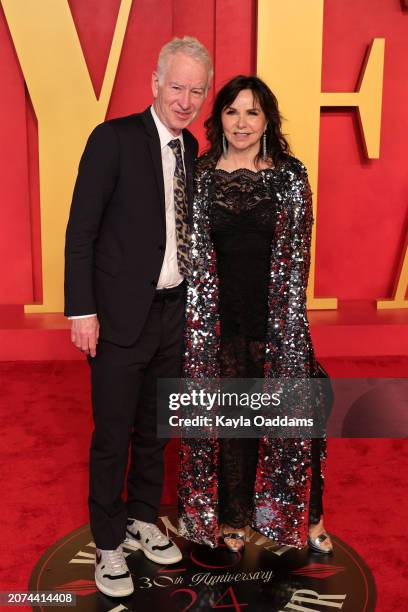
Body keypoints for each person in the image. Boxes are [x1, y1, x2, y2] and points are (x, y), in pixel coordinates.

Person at [64, 36, 212, 597]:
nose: (185, 100)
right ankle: (107, 544)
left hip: (173, 312)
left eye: (196, 91)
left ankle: (143, 517)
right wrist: (83, 310)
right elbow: (81, 233)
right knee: (112, 433)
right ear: (154, 83)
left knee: (156, 428)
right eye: (176, 87)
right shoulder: (113, 140)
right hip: (119, 316)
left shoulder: (192, 148)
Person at [178, 75, 332, 555]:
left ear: (267, 120)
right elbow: (189, 253)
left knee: (296, 412)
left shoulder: (289, 174)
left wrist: (289, 326)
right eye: (231, 111)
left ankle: (305, 517)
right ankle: (233, 516)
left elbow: (298, 254)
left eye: (251, 112)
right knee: (230, 420)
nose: (241, 123)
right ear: (218, 117)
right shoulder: (200, 174)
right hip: (216, 322)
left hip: (276, 319)